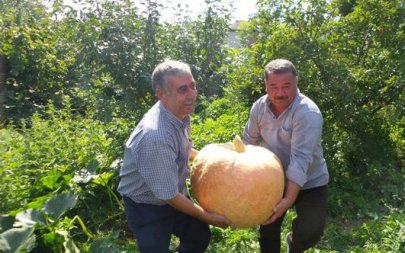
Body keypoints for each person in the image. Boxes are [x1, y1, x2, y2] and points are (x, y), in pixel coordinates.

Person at [117, 60, 231, 253]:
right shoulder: (155, 136)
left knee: (199, 236)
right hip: (146, 204)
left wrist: (215, 159)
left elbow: (183, 149)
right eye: (183, 89)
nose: (192, 95)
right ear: (161, 94)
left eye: (193, 86)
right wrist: (208, 217)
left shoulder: (179, 113)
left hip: (172, 192)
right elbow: (168, 195)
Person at [243, 59, 329, 253]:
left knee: (312, 230)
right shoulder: (259, 107)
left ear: (296, 82)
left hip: (311, 180)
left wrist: (288, 200)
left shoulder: (308, 113)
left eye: (286, 86)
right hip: (274, 177)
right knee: (268, 226)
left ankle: (295, 244)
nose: (280, 93)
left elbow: (300, 160)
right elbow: (249, 141)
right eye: (273, 86)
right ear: (265, 85)